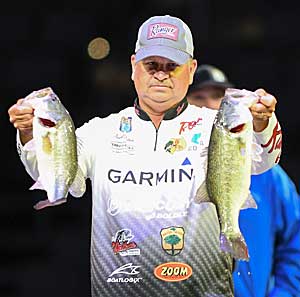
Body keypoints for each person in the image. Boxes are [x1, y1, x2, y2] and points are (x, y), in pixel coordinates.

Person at [8, 15, 282, 297]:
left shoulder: (219, 125)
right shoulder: (100, 132)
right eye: (151, 65)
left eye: (172, 66)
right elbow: (54, 176)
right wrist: (30, 133)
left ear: (191, 70)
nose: (161, 74)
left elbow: (266, 159)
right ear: (133, 67)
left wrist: (262, 123)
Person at [187, 64, 300, 297]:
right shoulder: (169, 166)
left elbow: (296, 238)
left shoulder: (267, 173)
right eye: (198, 97)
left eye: (218, 96)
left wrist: (284, 294)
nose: (209, 104)